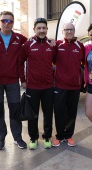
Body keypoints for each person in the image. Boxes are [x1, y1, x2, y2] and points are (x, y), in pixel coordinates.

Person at [0, 11, 27, 150]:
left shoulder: (18, 38)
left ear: (13, 23)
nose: (6, 23)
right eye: (4, 20)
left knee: (15, 110)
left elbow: (33, 40)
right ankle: (1, 138)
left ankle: (17, 137)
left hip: (12, 81)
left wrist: (50, 41)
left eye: (10, 21)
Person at [19, 18, 56, 149]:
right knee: (32, 114)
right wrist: (22, 79)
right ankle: (33, 138)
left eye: (43, 28)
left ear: (47, 29)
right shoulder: (28, 45)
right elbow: (20, 62)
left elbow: (57, 61)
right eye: (38, 28)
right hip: (32, 86)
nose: (41, 30)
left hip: (48, 86)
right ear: (34, 29)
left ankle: (47, 137)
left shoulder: (51, 45)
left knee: (48, 113)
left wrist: (54, 45)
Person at [52, 23, 85, 147]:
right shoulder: (58, 45)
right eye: (66, 30)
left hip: (74, 86)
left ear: (74, 31)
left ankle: (69, 135)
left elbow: (83, 62)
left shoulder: (80, 46)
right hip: (60, 85)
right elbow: (53, 60)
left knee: (72, 112)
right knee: (59, 111)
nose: (69, 32)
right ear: (63, 31)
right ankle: (59, 136)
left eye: (71, 30)